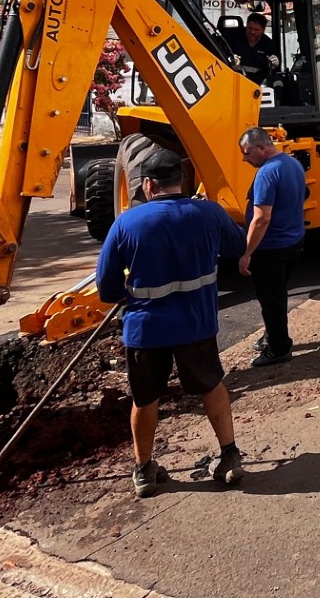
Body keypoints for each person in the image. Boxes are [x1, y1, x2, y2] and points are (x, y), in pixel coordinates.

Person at [95, 146, 246, 497]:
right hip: (196, 324)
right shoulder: (208, 213)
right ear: (182, 180)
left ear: (148, 185)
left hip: (147, 329)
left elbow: (106, 288)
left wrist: (126, 289)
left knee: (145, 399)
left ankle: (144, 471)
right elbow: (237, 246)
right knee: (211, 385)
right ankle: (230, 456)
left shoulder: (127, 223)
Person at [236, 126, 306, 368]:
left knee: (272, 300)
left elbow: (261, 218)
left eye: (247, 153)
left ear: (262, 148)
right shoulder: (292, 164)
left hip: (271, 249)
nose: (245, 159)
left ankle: (278, 348)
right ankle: (272, 334)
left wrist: (247, 253)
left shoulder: (267, 173)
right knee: (277, 296)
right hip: (293, 243)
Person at [228, 13, 277, 78]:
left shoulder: (268, 44)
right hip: (234, 78)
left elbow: (273, 69)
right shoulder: (233, 39)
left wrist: (274, 64)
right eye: (250, 28)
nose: (252, 32)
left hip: (258, 83)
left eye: (256, 30)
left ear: (263, 30)